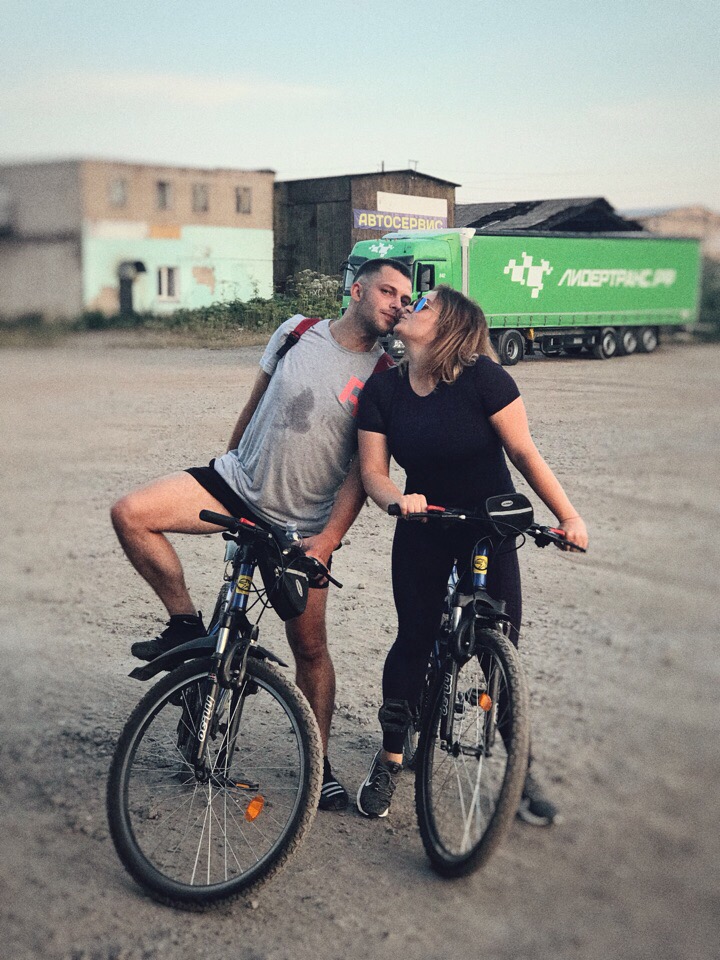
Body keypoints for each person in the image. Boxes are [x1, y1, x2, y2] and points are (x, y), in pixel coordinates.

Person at [110, 258, 413, 811]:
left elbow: (362, 471)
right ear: (356, 290)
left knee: (310, 649)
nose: (398, 305)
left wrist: (329, 540)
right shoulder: (296, 330)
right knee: (131, 513)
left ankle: (319, 765)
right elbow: (255, 405)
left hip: (302, 528)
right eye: (388, 292)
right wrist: (229, 463)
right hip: (235, 486)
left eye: (405, 299)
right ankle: (185, 629)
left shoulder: (386, 375)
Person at [355, 286, 589, 823]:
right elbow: (372, 472)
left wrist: (569, 517)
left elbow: (524, 452)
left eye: (424, 304)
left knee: (500, 650)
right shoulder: (384, 389)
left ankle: (520, 770)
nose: (410, 306)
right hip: (425, 523)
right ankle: (391, 758)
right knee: (414, 637)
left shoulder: (486, 379)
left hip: (488, 526)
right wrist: (397, 501)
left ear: (450, 325)